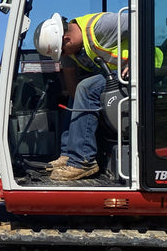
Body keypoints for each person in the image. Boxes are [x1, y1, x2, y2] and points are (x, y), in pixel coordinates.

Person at [33, 12, 134, 182]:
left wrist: (135, 59)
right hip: (114, 76)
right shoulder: (71, 51)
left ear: (67, 39)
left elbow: (142, 22)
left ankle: (82, 160)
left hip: (142, 68)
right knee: (75, 98)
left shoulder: (102, 25)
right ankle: (68, 153)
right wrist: (76, 100)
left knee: (86, 88)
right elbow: (72, 86)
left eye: (62, 52)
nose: (63, 56)